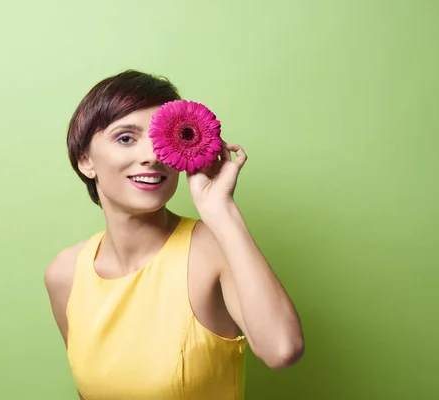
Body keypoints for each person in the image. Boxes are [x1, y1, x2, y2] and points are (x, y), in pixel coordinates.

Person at [44, 70, 304, 400]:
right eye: (126, 138)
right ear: (86, 161)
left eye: (162, 141)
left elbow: (282, 349)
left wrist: (220, 209)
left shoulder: (210, 251)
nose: (152, 156)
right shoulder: (65, 274)